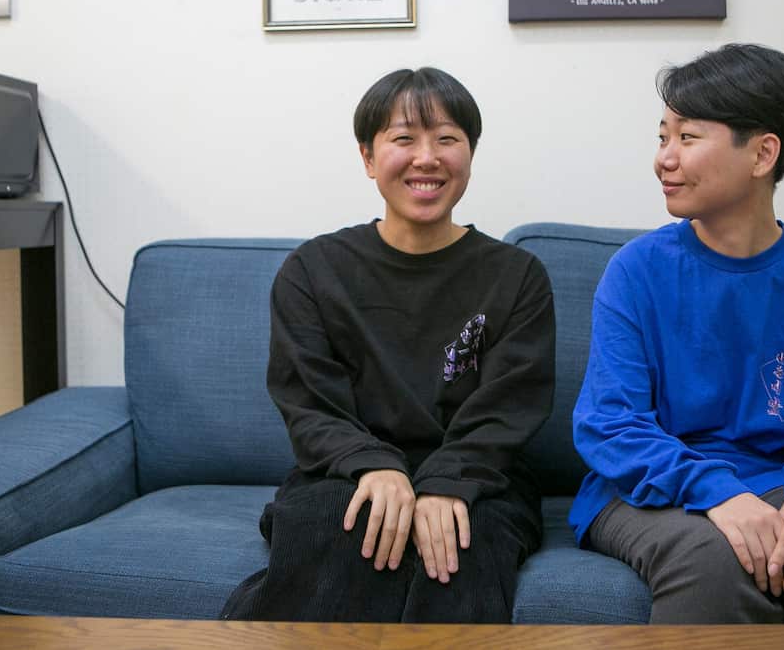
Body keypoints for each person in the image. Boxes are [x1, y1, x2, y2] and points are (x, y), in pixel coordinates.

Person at [569, 43, 784, 623]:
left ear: (762, 154)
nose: (664, 159)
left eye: (687, 138)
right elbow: (612, 424)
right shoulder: (636, 272)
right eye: (662, 137)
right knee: (716, 559)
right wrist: (719, 492)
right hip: (653, 491)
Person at [221, 67, 556, 623]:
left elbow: (511, 404)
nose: (427, 158)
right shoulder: (313, 270)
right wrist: (374, 466)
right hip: (343, 471)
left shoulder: (517, 276)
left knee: (458, 547)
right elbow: (309, 402)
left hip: (480, 476)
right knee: (342, 527)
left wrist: (448, 481)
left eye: (446, 139)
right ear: (369, 157)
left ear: (470, 154)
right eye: (404, 139)